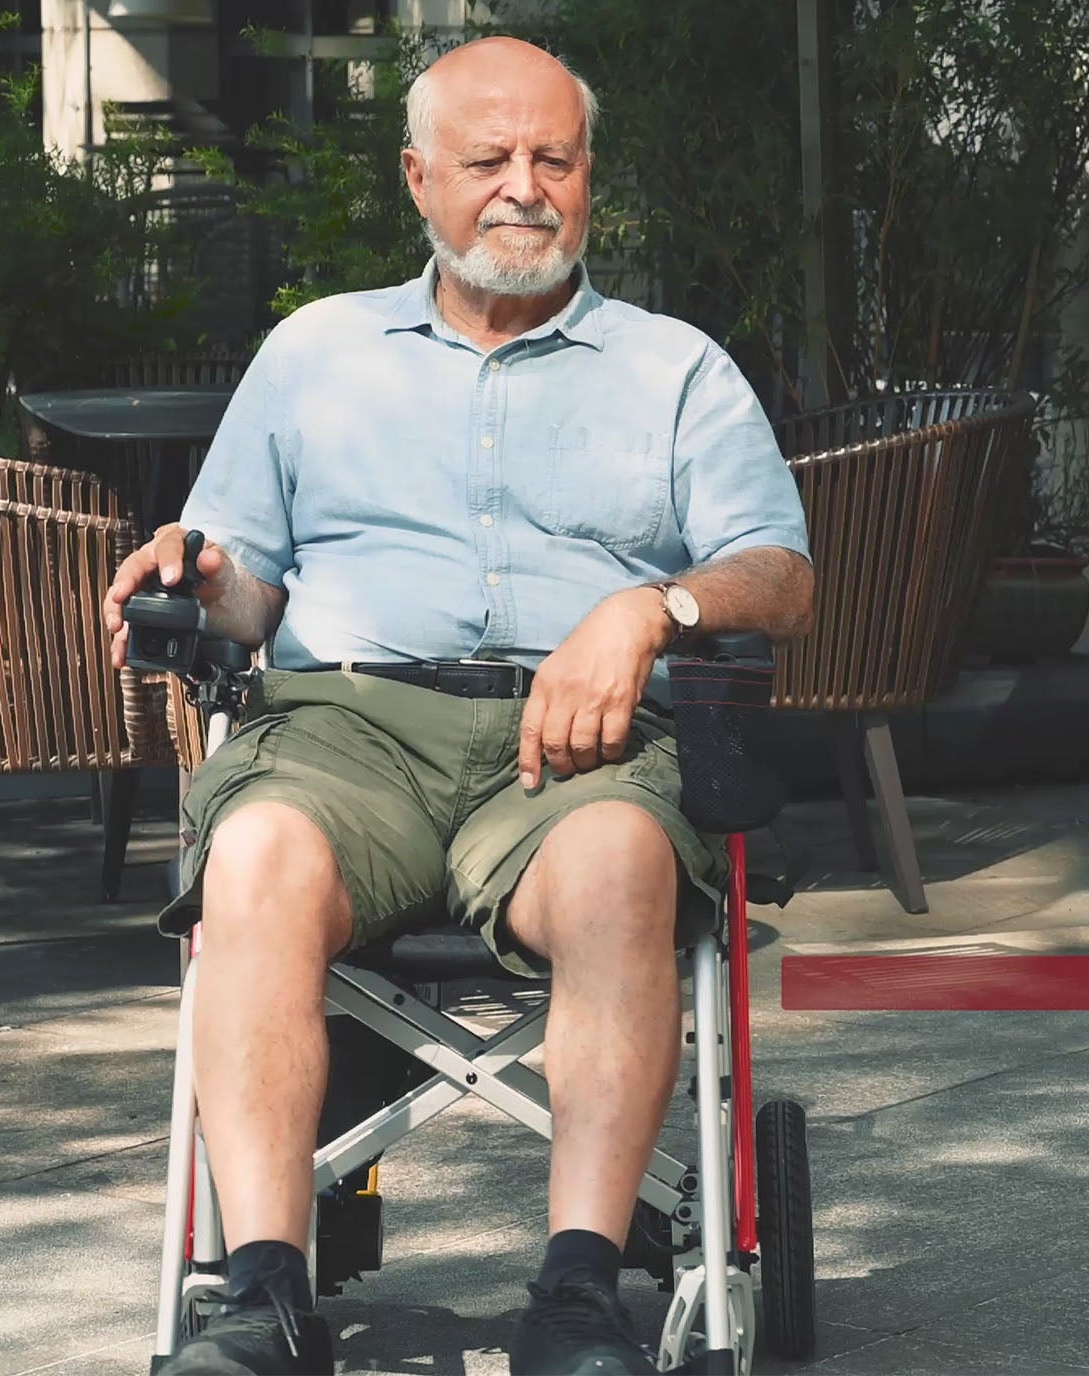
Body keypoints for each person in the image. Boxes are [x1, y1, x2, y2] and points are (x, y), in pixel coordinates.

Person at [102, 36, 814, 1376]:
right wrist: (197, 570)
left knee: (616, 871)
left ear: (591, 175)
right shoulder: (315, 352)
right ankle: (261, 1295)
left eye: (554, 157)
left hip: (581, 745)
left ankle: (578, 1294)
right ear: (420, 178)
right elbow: (244, 588)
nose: (524, 189)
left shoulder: (675, 369)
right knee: (248, 858)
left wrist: (650, 609)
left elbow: (780, 573)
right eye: (489, 160)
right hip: (342, 735)